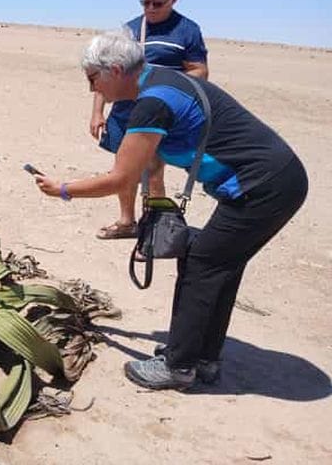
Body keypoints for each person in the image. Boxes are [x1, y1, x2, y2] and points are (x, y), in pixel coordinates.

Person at [34, 30, 307, 390]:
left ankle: (178, 366)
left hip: (263, 186)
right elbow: (151, 162)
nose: (91, 90)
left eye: (93, 79)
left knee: (202, 263)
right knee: (219, 264)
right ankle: (202, 357)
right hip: (277, 178)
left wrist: (63, 190)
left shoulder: (153, 101)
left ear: (115, 70)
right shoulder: (159, 82)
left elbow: (121, 178)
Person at [90, 0, 208, 241]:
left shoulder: (187, 30)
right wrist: (97, 111)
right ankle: (127, 221)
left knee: (153, 169)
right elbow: (106, 72)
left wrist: (161, 85)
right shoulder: (130, 30)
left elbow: (200, 71)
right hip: (124, 111)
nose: (150, 9)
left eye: (158, 3)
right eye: (145, 3)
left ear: (173, 0)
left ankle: (156, 227)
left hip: (158, 112)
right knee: (123, 168)